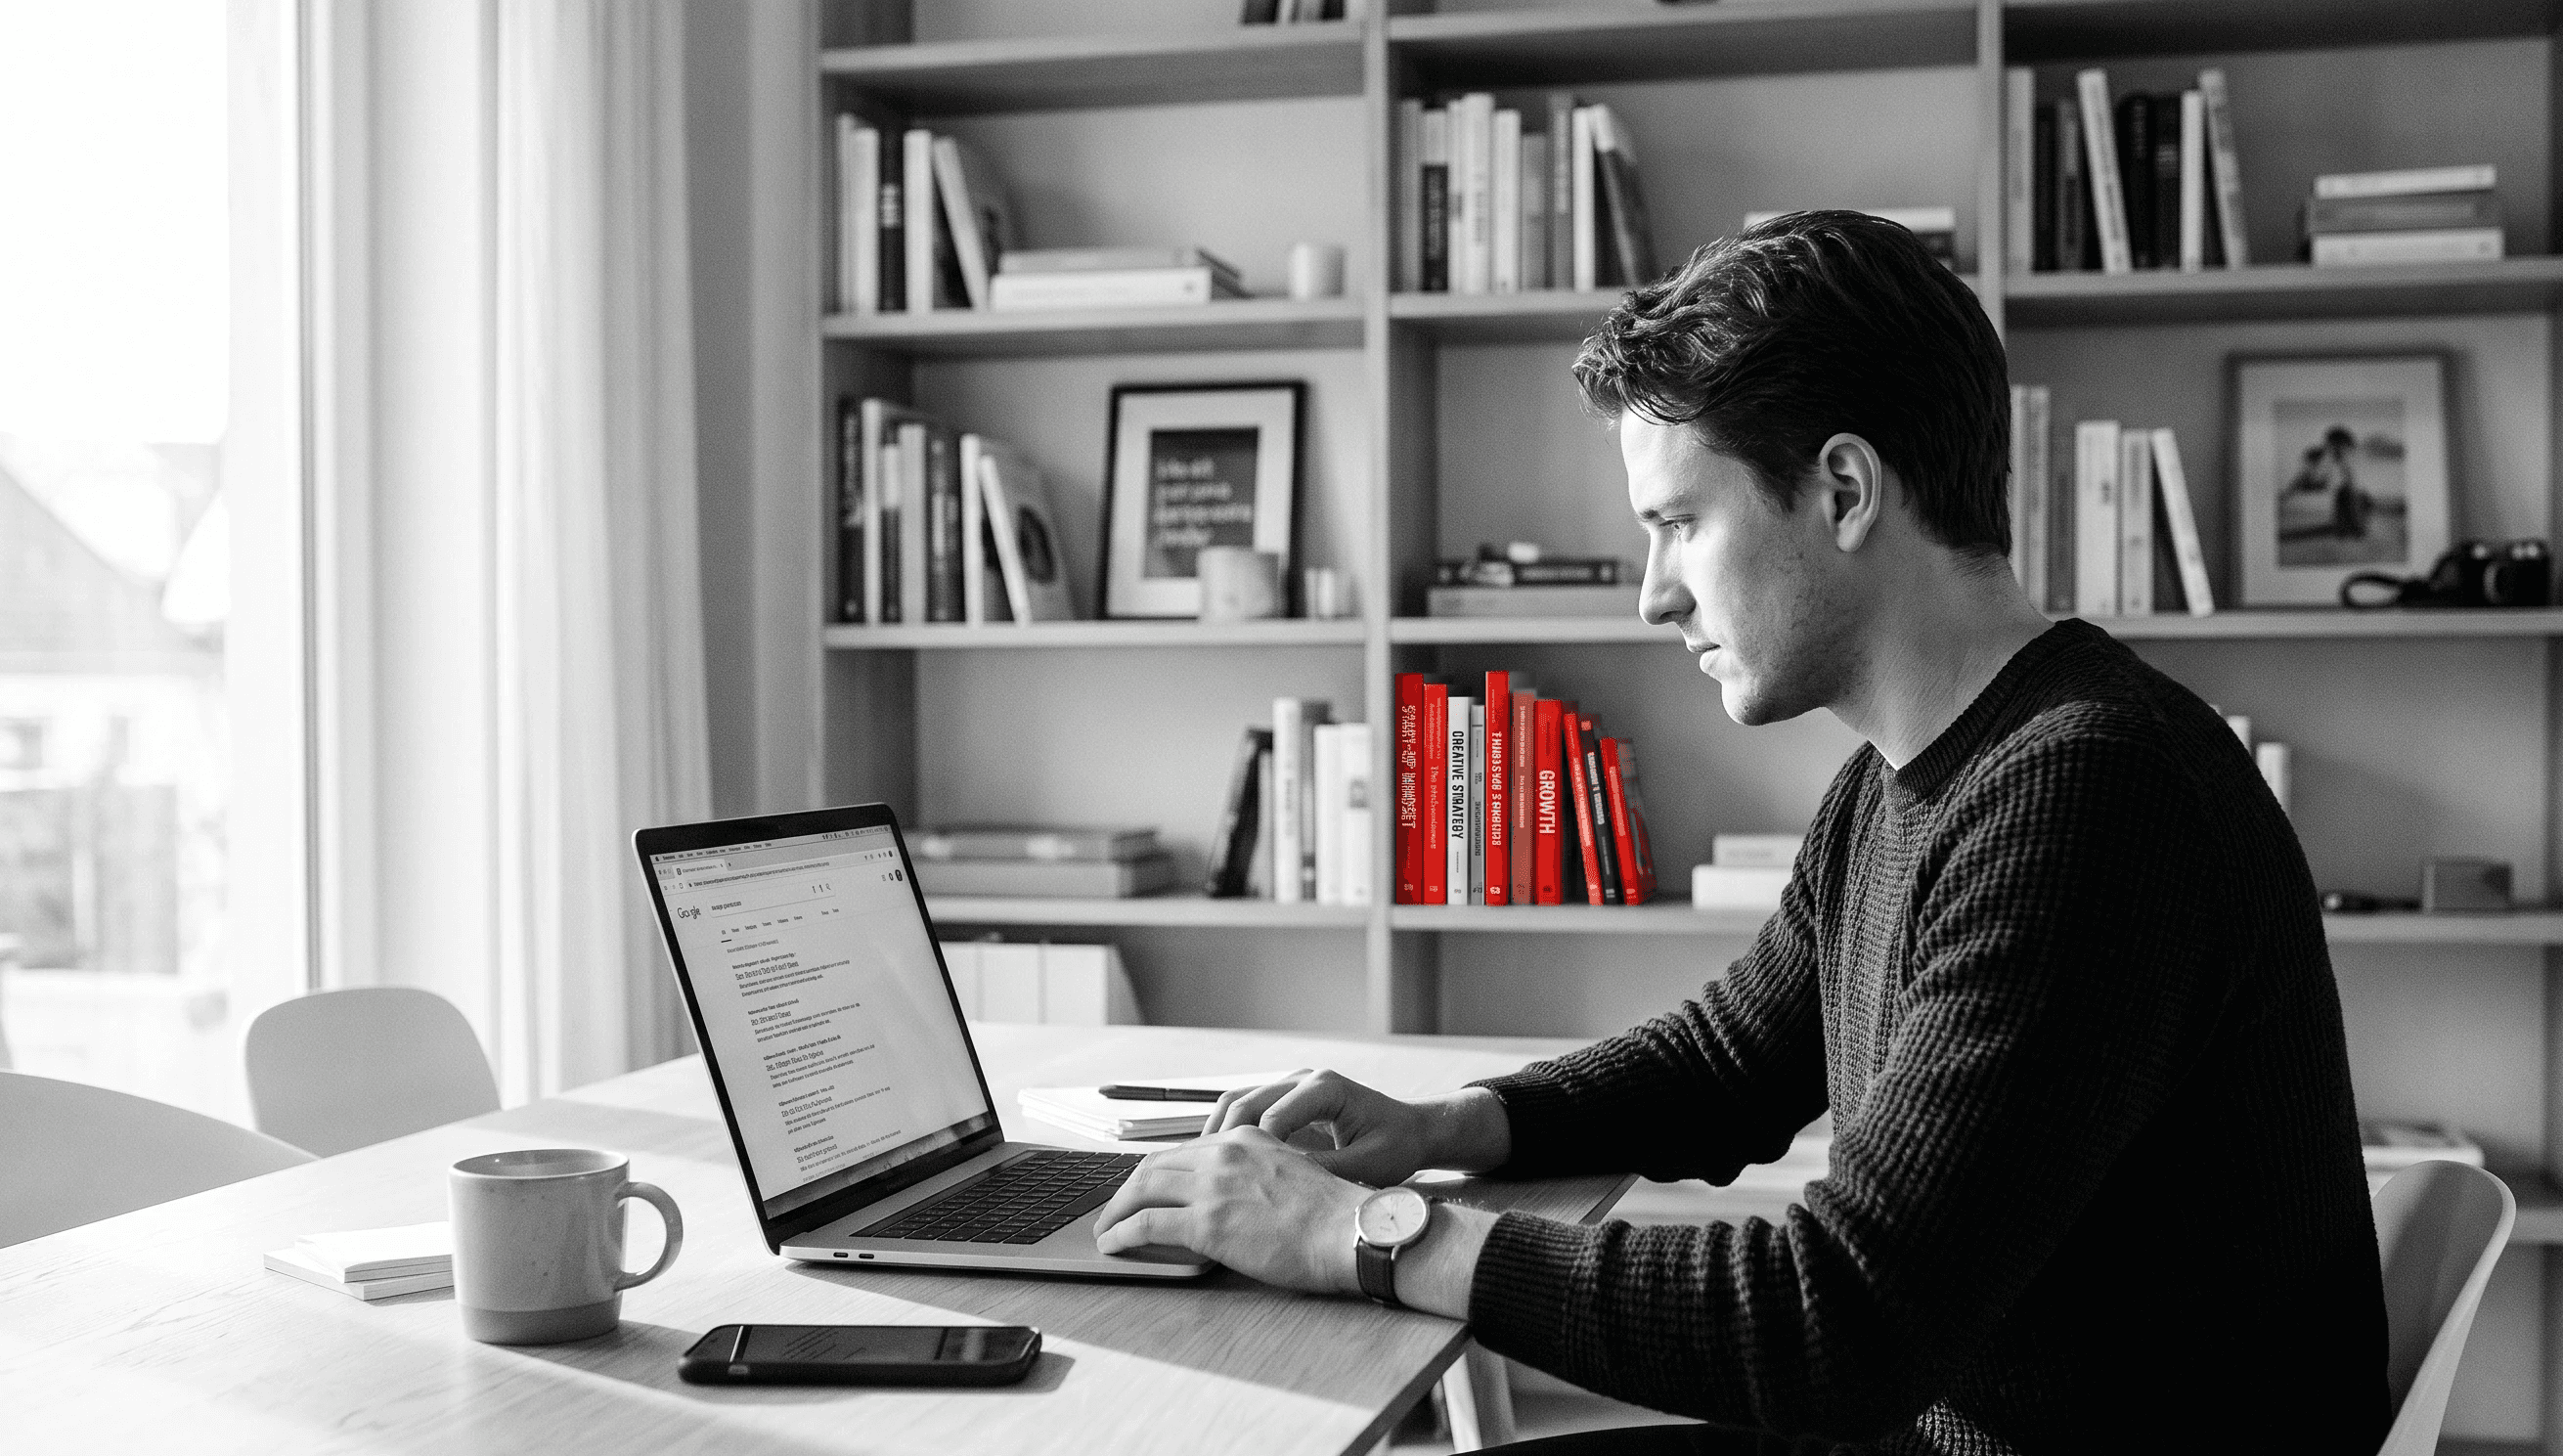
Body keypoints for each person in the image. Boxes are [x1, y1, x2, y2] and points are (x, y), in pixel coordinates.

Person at [1090, 211, 2388, 1454]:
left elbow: (1841, 1322)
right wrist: (1439, 1130)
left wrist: (1364, 1234)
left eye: (1677, 524)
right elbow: (1729, 1062)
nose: (1654, 596)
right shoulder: (1911, 776)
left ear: (1841, 489)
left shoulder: (2092, 795)